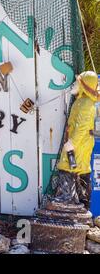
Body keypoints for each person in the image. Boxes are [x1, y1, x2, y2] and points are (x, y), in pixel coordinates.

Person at [54, 71, 98, 209]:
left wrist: (72, 143)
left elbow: (82, 127)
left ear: (84, 85)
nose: (75, 85)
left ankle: (66, 200)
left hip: (79, 143)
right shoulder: (83, 101)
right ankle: (82, 203)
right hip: (82, 142)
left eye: (78, 82)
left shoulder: (85, 104)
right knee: (80, 169)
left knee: (68, 166)